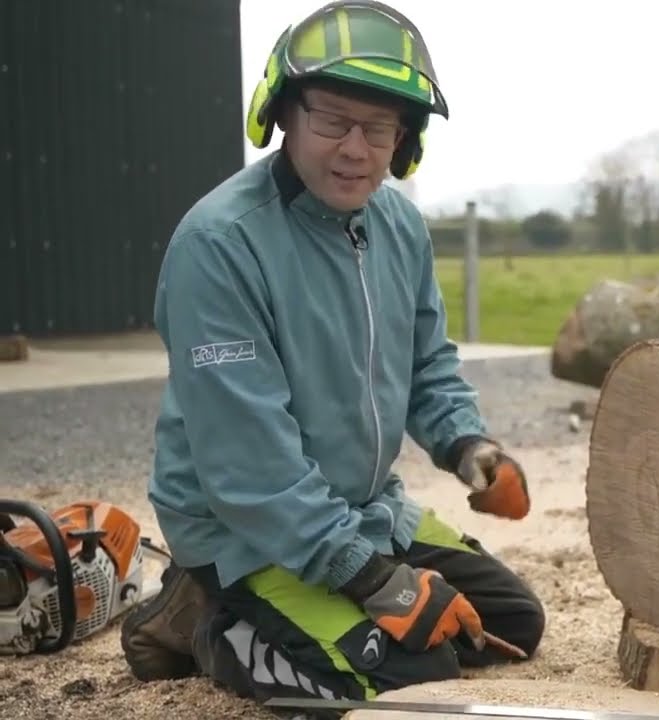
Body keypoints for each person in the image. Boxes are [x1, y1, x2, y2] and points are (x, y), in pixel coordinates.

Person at [119, 0, 544, 708]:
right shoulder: (219, 245)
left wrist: (468, 446)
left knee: (511, 624)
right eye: (332, 120)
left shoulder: (399, 224)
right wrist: (376, 580)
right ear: (283, 114)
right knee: (410, 678)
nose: (356, 148)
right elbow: (251, 469)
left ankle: (329, 580)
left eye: (379, 129)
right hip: (248, 530)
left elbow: (427, 362)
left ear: (405, 142)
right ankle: (201, 616)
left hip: (364, 510)